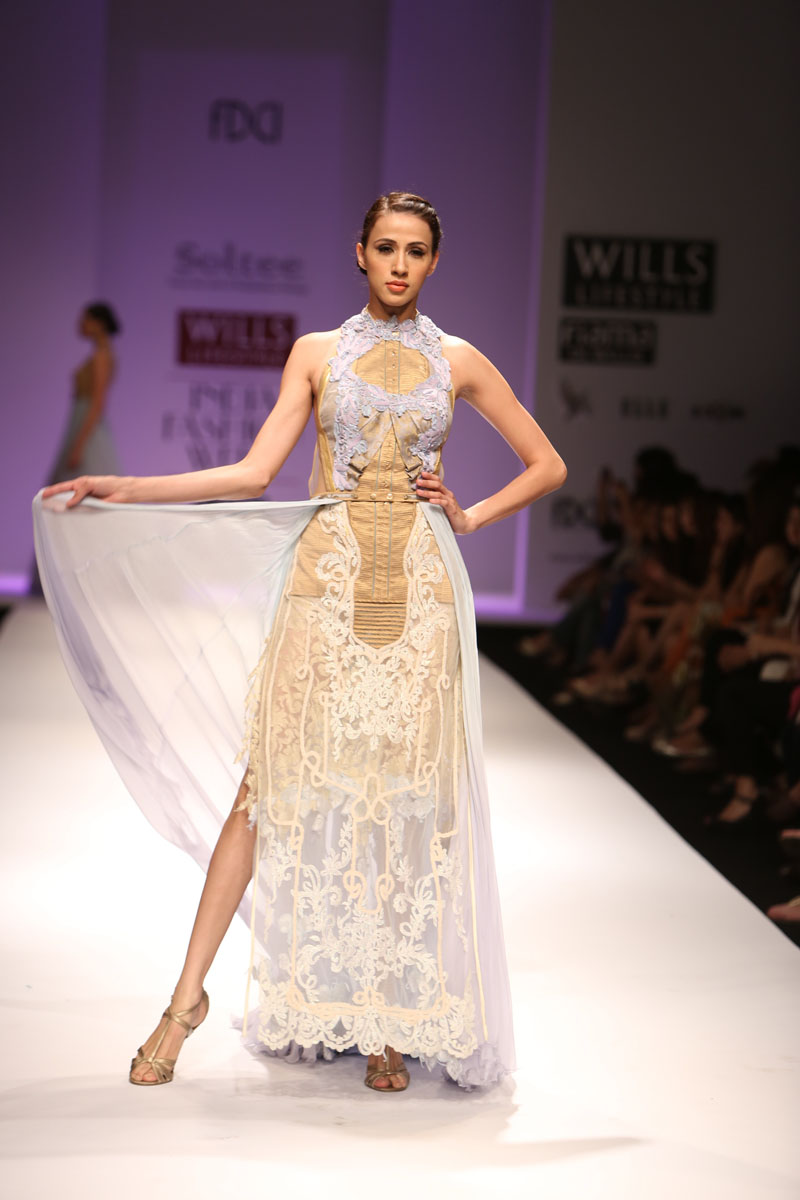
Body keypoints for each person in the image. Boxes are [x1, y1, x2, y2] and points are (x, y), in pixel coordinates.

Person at [37, 192, 566, 1094]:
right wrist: (127, 486)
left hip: (422, 597)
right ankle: (184, 1002)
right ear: (359, 252)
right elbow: (254, 471)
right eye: (386, 247)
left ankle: (385, 1015)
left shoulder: (460, 360)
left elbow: (548, 463)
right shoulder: (317, 353)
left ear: (434, 262)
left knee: (404, 801)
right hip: (323, 589)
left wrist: (472, 516)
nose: (399, 265)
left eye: (416, 251)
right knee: (265, 791)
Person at [47, 302, 122, 482]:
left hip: (88, 426)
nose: (81, 324)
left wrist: (79, 445)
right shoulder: (101, 353)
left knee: (81, 480)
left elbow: (98, 402)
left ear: (99, 323)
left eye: (86, 319)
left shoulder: (102, 355)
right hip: (82, 421)